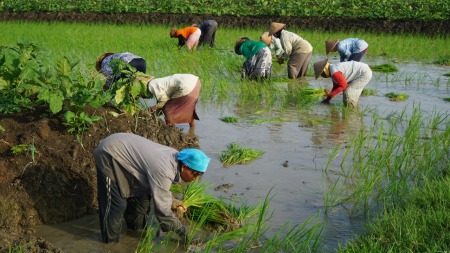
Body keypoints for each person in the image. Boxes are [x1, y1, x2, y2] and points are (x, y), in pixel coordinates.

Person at [93, 132, 211, 244]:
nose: (195, 178)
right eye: (194, 173)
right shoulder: (164, 168)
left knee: (142, 203)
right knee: (117, 205)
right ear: (185, 167)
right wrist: (185, 235)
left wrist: (173, 201)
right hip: (109, 152)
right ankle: (110, 244)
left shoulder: (176, 161)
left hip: (131, 162)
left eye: (199, 175)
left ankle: (133, 234)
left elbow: (160, 188)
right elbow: (163, 212)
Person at [137, 74, 201, 127]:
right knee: (188, 109)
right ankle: (192, 130)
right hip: (196, 82)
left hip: (186, 86)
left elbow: (163, 103)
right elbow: (161, 105)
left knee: (168, 110)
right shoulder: (157, 82)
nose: (142, 97)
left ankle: (169, 129)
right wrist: (154, 115)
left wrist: (148, 110)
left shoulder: (152, 85)